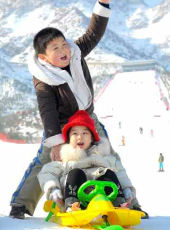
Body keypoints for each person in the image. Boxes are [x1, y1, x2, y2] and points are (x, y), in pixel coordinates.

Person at [10, 0, 148, 219]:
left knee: (110, 156)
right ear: (44, 57)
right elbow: (48, 112)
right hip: (61, 125)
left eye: (64, 44)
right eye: (55, 48)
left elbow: (94, 33)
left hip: (87, 118)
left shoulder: (75, 53)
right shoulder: (43, 79)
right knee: (46, 161)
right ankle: (20, 204)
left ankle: (131, 203)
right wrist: (56, 142)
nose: (64, 50)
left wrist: (103, 4)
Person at [38, 110, 135, 212]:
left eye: (85, 133)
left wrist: (127, 189)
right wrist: (53, 189)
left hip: (104, 200)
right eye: (75, 133)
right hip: (76, 199)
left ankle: (119, 204)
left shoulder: (106, 159)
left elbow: (120, 173)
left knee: (108, 173)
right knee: (76, 173)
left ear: (92, 138)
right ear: (68, 139)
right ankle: (71, 206)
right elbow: (47, 172)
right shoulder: (65, 161)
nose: (80, 137)